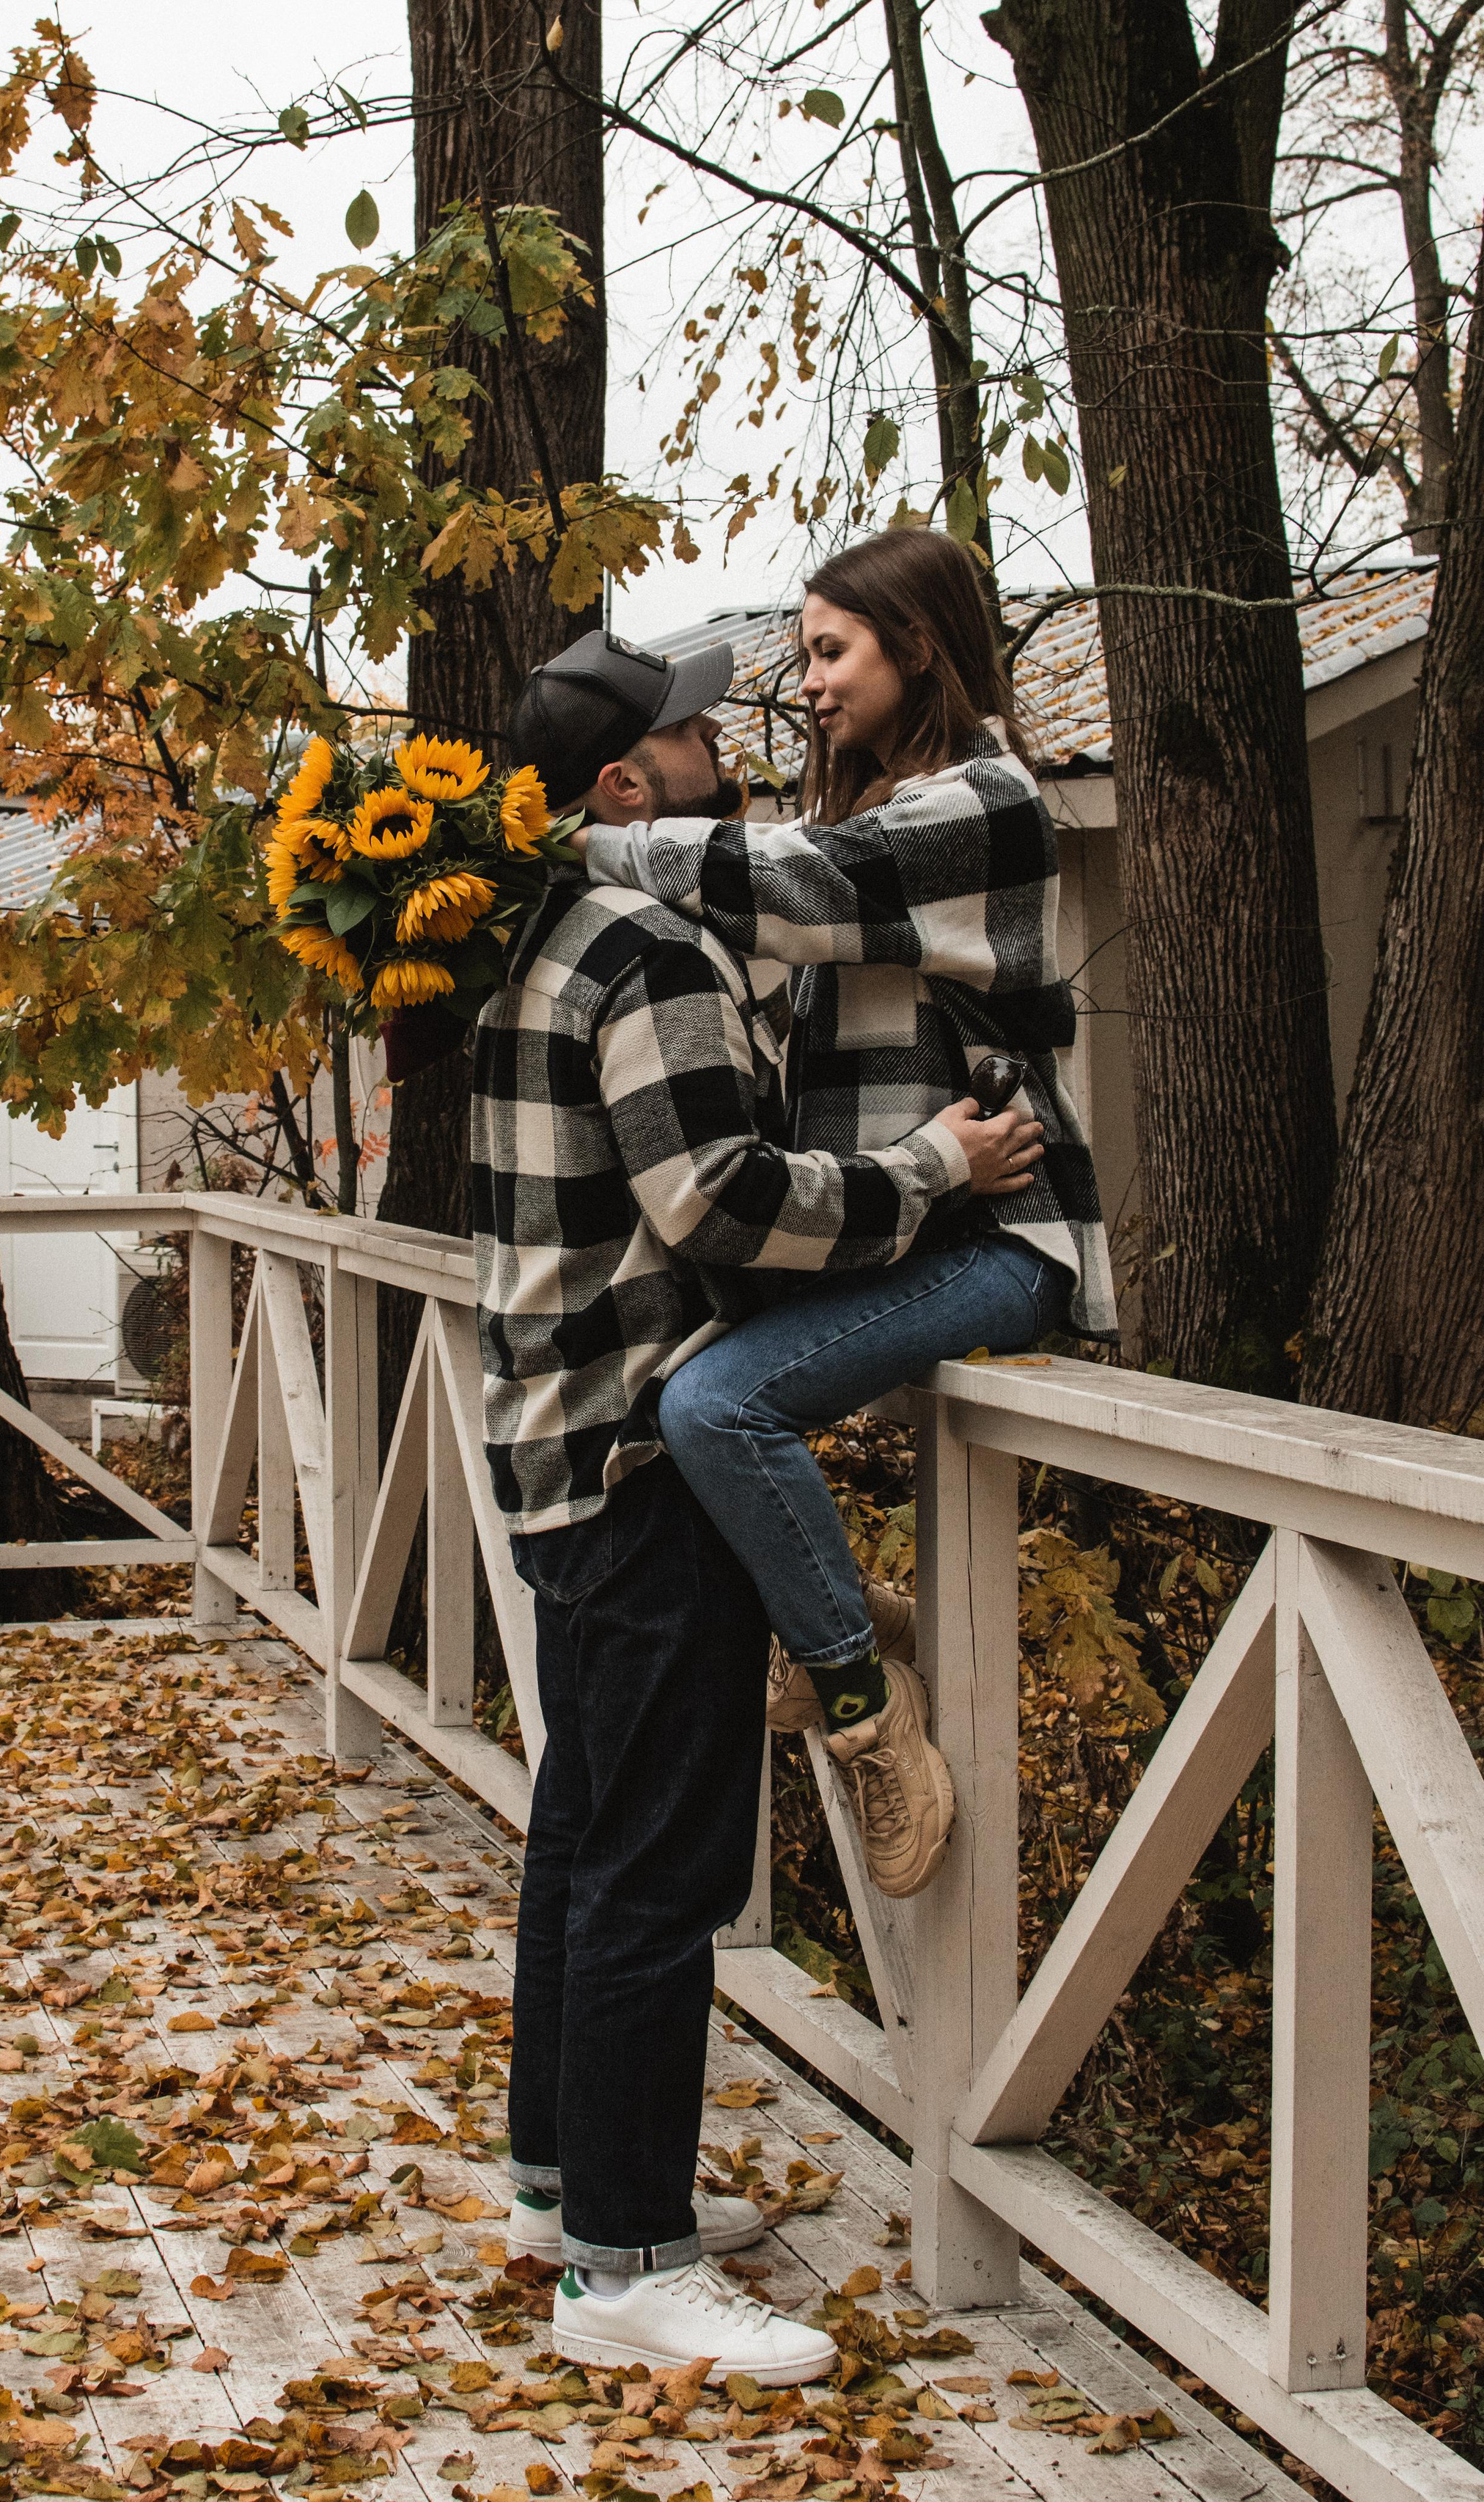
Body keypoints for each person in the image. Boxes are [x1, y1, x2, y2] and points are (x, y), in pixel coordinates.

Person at [474, 626, 1041, 2380]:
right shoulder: (644, 942)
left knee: (583, 1824)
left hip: (554, 1437)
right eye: (688, 729)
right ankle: (625, 2268)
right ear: (624, 784)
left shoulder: (541, 927)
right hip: (639, 1449)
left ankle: (565, 2180)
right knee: (657, 1864)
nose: (723, 735)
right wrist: (931, 1168)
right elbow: (714, 1202)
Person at [575, 531, 1118, 1901]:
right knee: (667, 1395)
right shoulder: (865, 822)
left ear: (918, 646)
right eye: (806, 653)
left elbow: (795, 885)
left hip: (999, 1241)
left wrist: (581, 844)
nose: (808, 682)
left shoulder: (985, 806)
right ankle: (839, 1618)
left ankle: (870, 1711)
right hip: (893, 1239)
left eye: (833, 652)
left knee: (715, 1412)